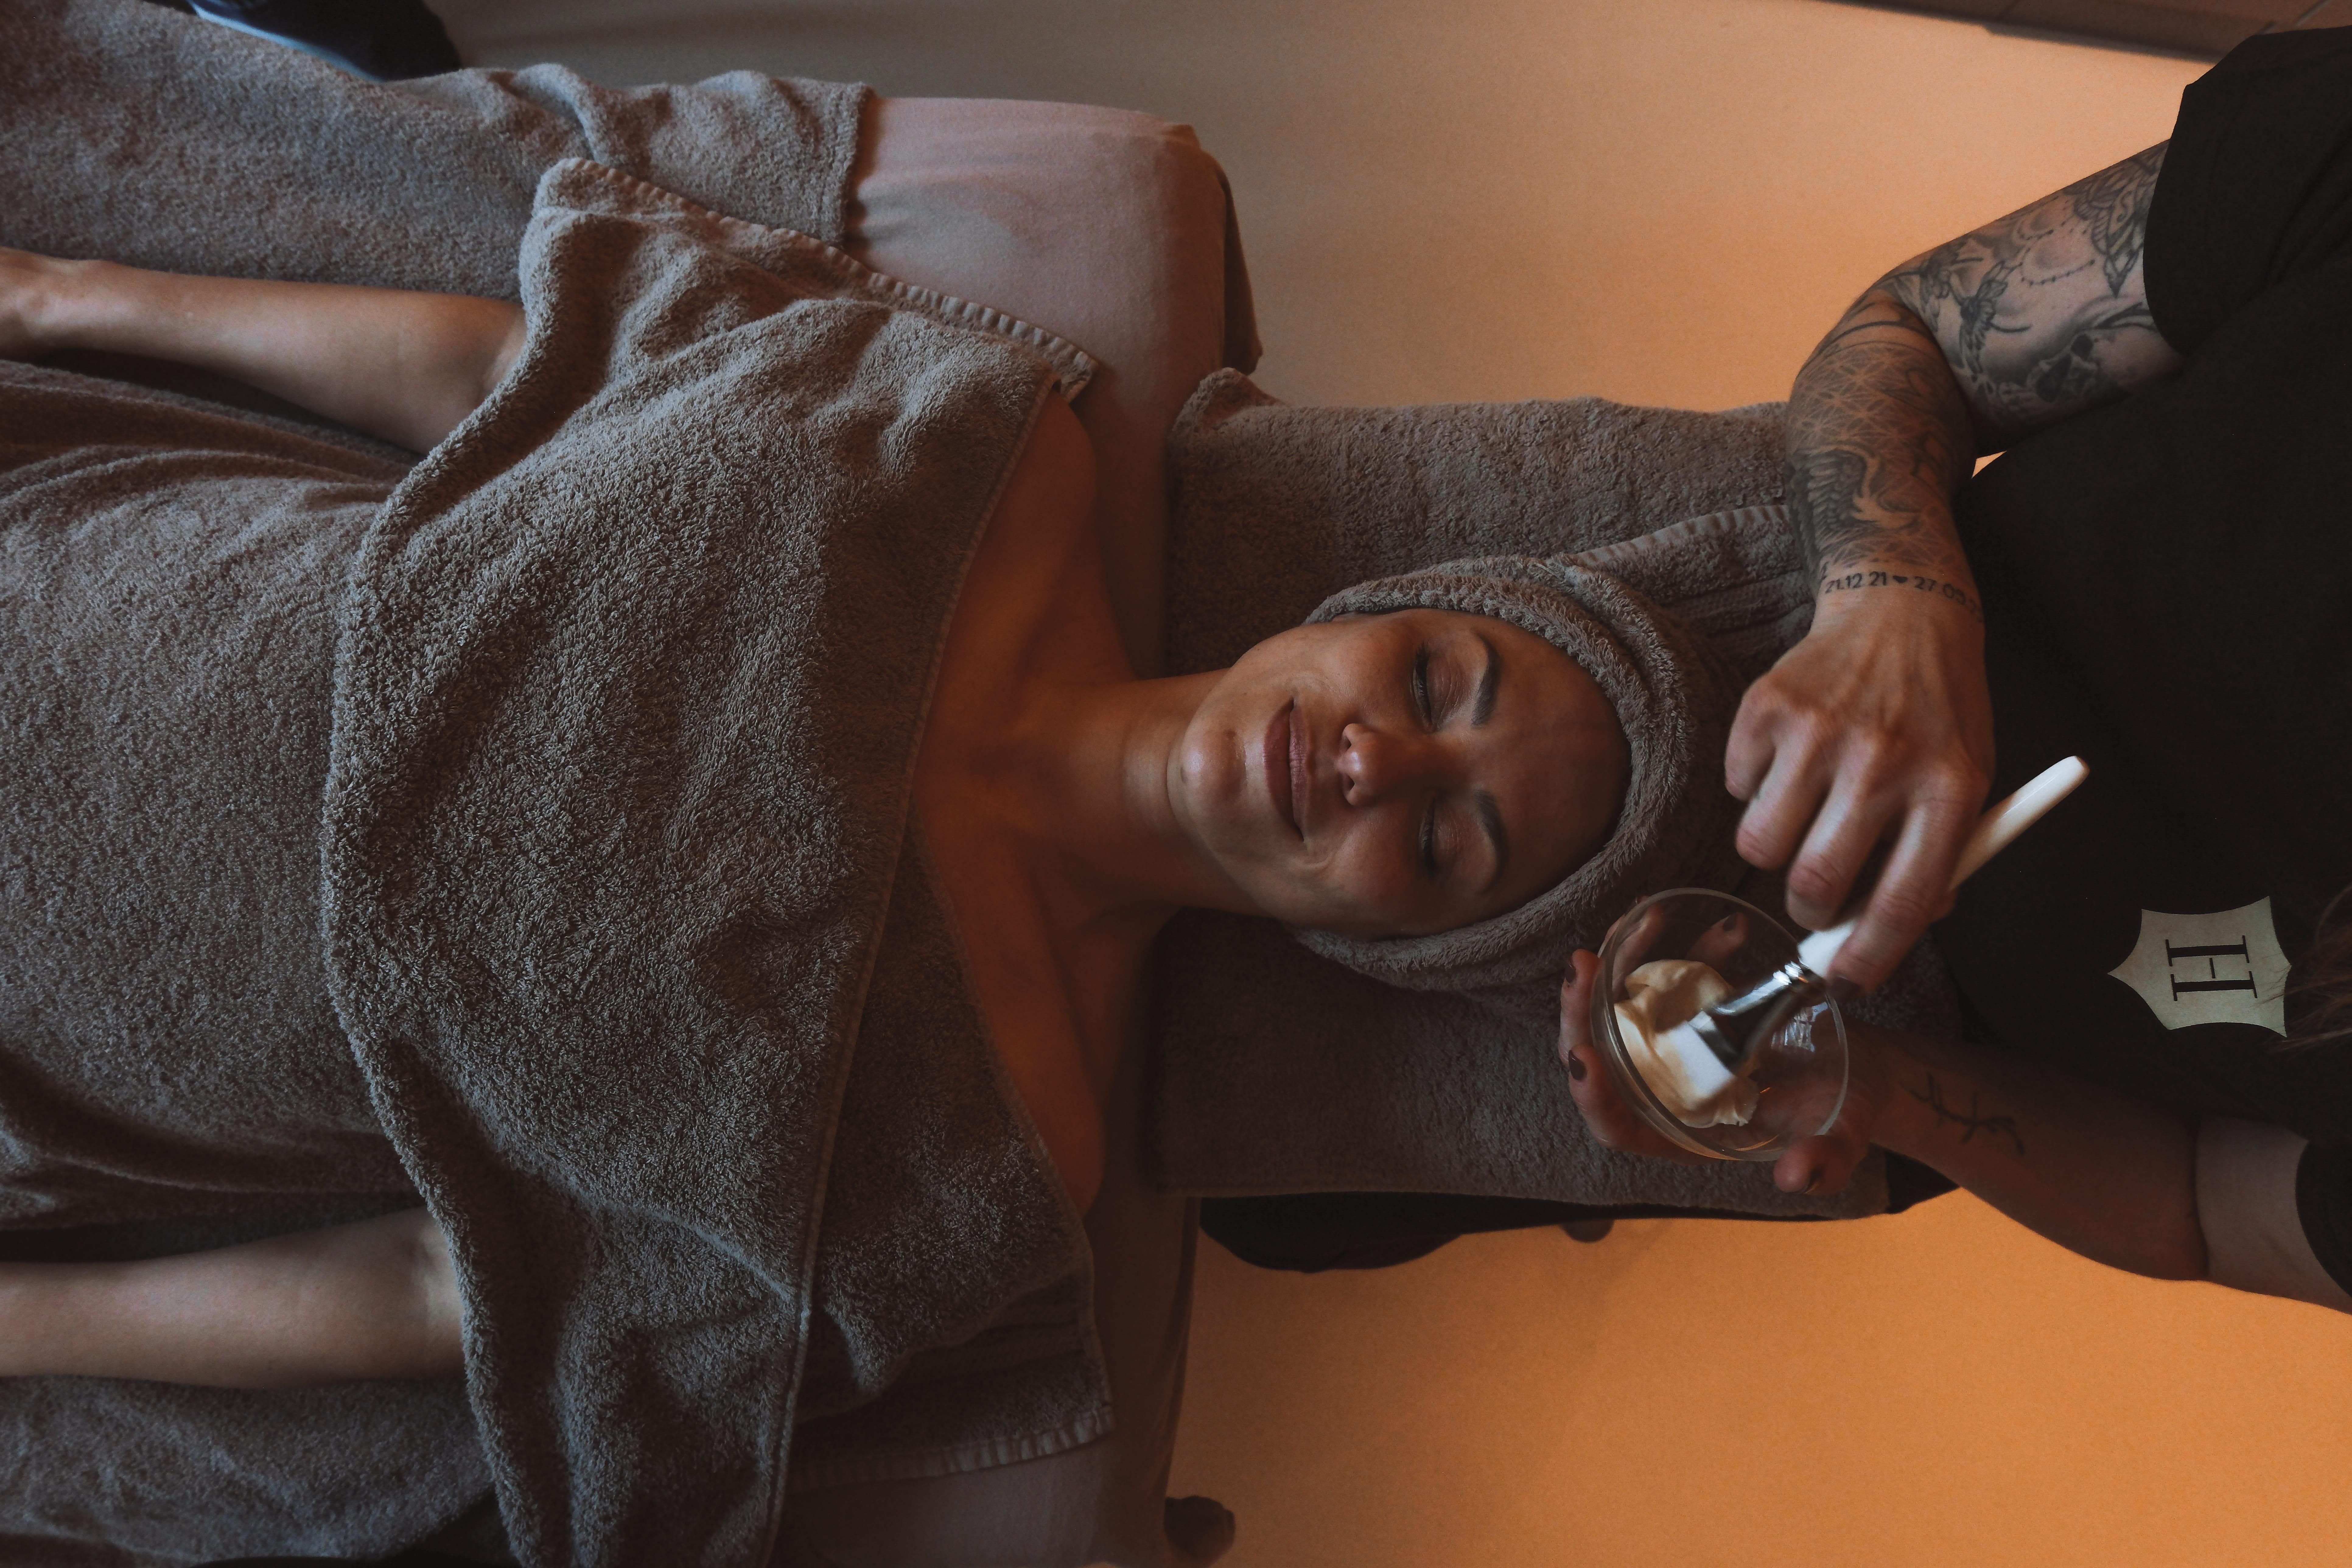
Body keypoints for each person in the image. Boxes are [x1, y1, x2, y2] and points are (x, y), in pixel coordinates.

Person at [0, 240, 1632, 1388]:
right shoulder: (994, 463)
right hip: (105, 601)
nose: (1379, 764)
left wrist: (28, 1333)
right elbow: (519, 371)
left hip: (87, 1048)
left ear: (1387, 950)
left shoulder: (1000, 1143)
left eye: (1439, 846)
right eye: (1434, 683)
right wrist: (70, 301)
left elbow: (458, 1290)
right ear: (1368, 608)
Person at [1563, 27, 2352, 1316]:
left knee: (1287, 1218)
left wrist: (1864, 1087)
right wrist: (1894, 601)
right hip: (1728, 634)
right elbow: (1908, 333)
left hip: (1874, 1040)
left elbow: (2206, 1207)